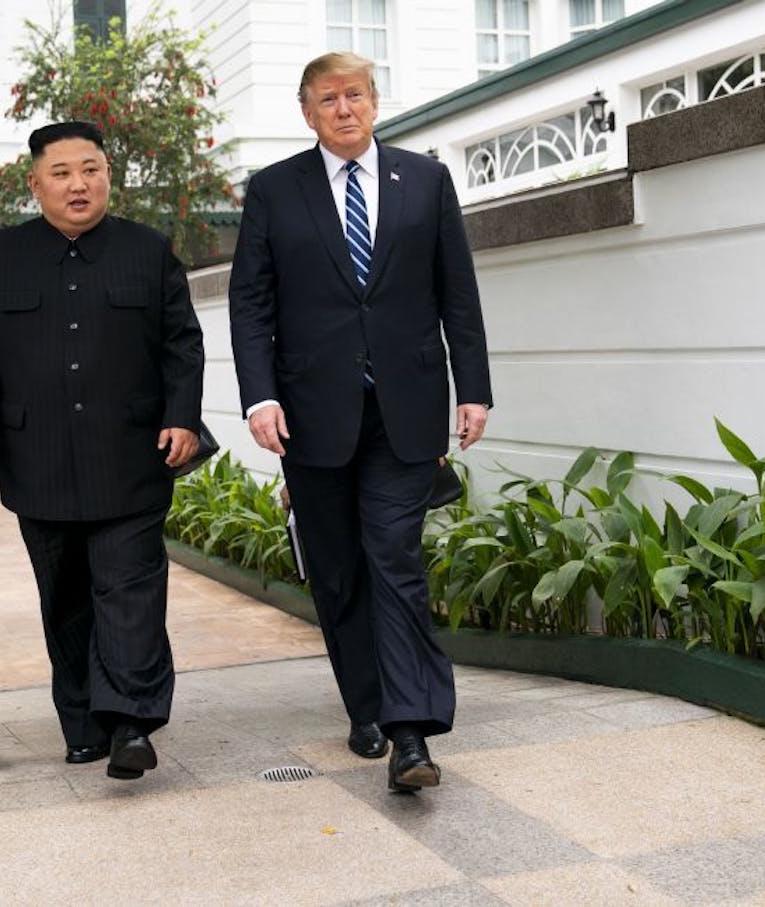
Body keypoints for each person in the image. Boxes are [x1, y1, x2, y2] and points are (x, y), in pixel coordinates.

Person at [228, 52, 492, 792]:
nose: (344, 109)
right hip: (311, 415)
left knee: (395, 560)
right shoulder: (275, 191)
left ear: (376, 102)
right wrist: (260, 396)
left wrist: (473, 388)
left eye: (355, 95)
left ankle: (412, 732)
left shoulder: (427, 180)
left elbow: (457, 293)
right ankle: (366, 705)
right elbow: (251, 303)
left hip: (405, 409)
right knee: (339, 571)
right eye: (327, 99)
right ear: (306, 112)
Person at [0, 121, 205, 780]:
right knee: (64, 597)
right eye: (61, 172)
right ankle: (84, 722)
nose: (78, 183)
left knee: (127, 590)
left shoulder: (148, 251)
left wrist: (182, 416)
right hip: (40, 462)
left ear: (107, 176)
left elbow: (182, 343)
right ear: (35, 185)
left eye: (89, 168)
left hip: (131, 457)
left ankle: (130, 722)